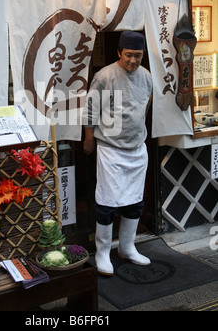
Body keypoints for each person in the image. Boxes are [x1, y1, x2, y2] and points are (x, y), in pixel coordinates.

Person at [82, 31, 153, 276]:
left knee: (135, 202)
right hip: (110, 149)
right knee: (108, 203)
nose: (133, 60)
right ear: (119, 53)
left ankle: (127, 246)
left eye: (138, 56)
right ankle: (102, 252)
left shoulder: (146, 77)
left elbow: (145, 106)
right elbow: (90, 109)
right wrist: (89, 137)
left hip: (136, 148)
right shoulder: (104, 76)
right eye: (129, 55)